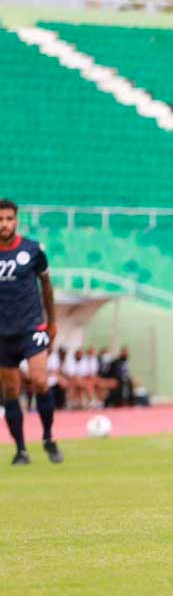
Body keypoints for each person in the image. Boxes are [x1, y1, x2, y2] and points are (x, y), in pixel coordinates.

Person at [0, 199, 63, 465]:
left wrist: (52, 322)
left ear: (17, 220)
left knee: (39, 380)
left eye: (9, 219)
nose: (4, 224)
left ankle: (48, 437)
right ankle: (21, 450)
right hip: (2, 333)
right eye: (0, 220)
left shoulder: (33, 250)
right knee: (11, 391)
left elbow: (46, 287)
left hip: (32, 326)